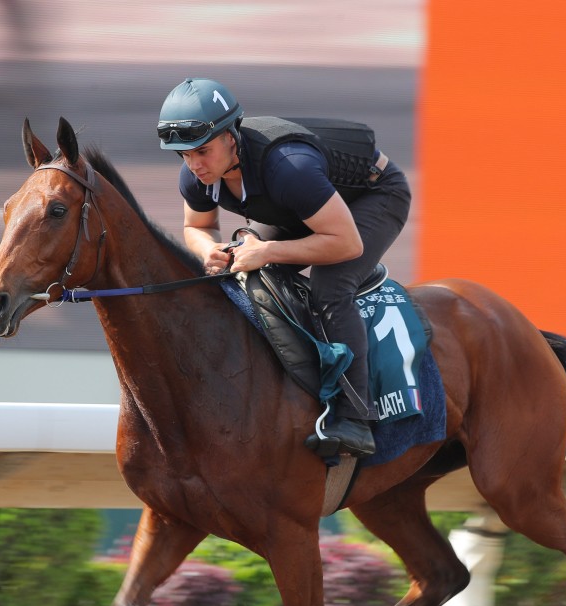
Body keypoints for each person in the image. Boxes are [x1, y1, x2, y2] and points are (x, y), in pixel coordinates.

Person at [156, 77, 411, 458]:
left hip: (373, 197)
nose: (194, 165)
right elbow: (197, 227)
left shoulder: (289, 168)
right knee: (244, 265)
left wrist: (269, 250)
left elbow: (347, 243)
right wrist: (210, 249)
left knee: (330, 286)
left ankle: (356, 418)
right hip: (302, 205)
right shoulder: (198, 175)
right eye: (184, 155)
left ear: (231, 136)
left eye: (202, 151)